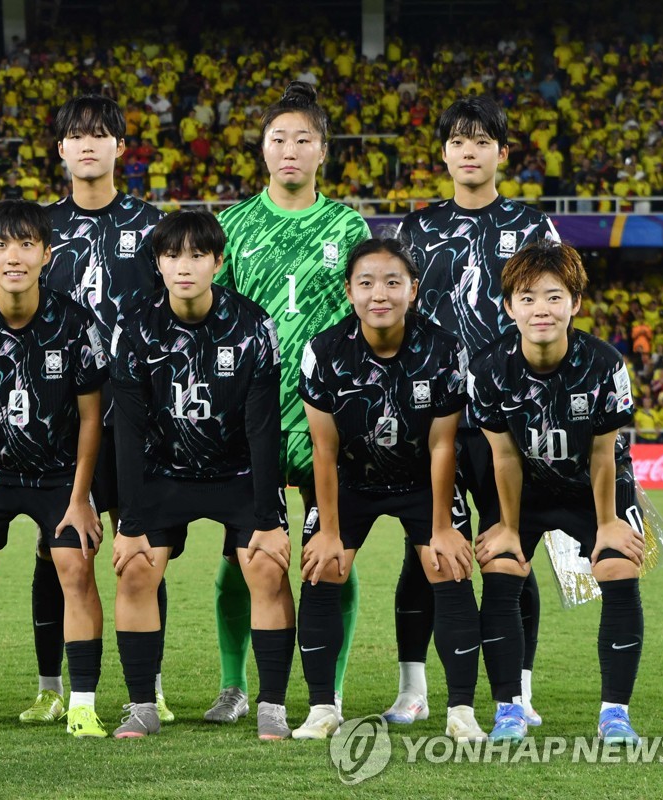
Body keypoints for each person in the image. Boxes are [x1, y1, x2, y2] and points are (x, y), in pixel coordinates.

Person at [395, 95, 559, 727]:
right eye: (458, 141)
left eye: (482, 141)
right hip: (433, 415)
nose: (469, 151)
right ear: (443, 153)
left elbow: (552, 318)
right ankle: (413, 690)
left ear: (502, 153)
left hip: (508, 420)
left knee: (509, 553)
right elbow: (398, 322)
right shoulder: (417, 228)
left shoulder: (531, 225)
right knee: (426, 554)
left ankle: (517, 693)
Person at [212, 81, 369, 723]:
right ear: (263, 149)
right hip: (253, 420)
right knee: (243, 558)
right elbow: (215, 322)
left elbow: (367, 319)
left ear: (322, 151)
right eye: (279, 139)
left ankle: (327, 689)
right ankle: (233, 684)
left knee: (333, 550)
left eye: (303, 139)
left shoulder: (348, 225)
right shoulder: (234, 225)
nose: (290, 150)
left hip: (328, 418)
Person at [111, 210, 295, 741]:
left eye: (197, 255)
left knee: (265, 568)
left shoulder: (254, 325)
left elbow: (264, 428)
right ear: (158, 263)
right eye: (172, 255)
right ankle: (142, 705)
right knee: (137, 569)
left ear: (218, 261)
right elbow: (128, 427)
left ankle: (273, 706)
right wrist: (131, 521)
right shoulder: (136, 326)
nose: (184, 266)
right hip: (164, 473)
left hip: (238, 472)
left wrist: (267, 517)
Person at [296, 239, 484, 741]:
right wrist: (329, 530)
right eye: (366, 283)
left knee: (447, 565)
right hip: (352, 480)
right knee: (323, 567)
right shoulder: (323, 352)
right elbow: (324, 450)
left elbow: (444, 445)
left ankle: (461, 713)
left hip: (422, 479)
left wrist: (442, 527)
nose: (380, 293)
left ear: (413, 290)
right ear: (349, 292)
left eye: (393, 282)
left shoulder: (445, 349)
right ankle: (321, 710)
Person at [0, 200, 107, 739]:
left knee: (75, 567)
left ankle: (81, 704)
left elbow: (90, 419)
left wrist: (81, 499)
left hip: (58, 476)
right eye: (2, 245)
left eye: (27, 244)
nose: (14, 256)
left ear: (46, 254)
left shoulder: (76, 323)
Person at [28, 94, 170, 724]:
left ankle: (153, 684)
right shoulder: (38, 231)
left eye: (100, 134)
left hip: (138, 416)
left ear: (121, 146)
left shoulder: (153, 226)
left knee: (141, 550)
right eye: (76, 135)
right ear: (61, 149)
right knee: (56, 549)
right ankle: (49, 685)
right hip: (55, 420)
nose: (87, 145)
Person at [470, 241, 645, 744]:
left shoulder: (605, 364)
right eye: (526, 298)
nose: (540, 309)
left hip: (593, 486)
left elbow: (603, 454)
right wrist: (505, 525)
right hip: (525, 488)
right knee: (502, 566)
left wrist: (609, 523)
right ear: (509, 308)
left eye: (553, 296)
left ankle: (615, 714)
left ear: (575, 303)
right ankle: (509, 709)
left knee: (617, 563)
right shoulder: (487, 369)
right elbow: (503, 457)